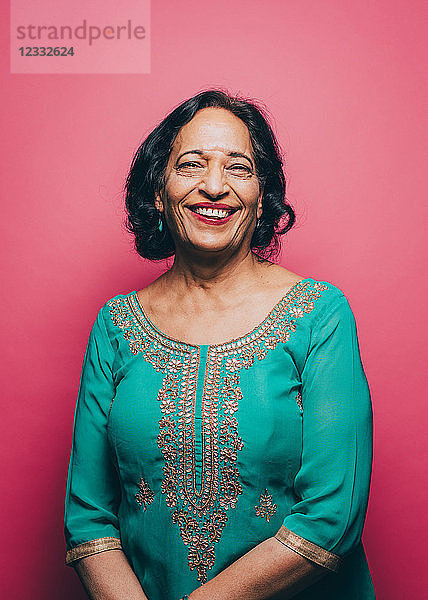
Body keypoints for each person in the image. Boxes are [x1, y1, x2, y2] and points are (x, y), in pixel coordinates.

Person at [63, 89, 375, 600]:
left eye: (238, 167)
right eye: (190, 165)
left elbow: (332, 515)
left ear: (261, 197)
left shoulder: (320, 315)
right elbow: (89, 518)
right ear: (158, 193)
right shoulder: (115, 326)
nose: (214, 187)